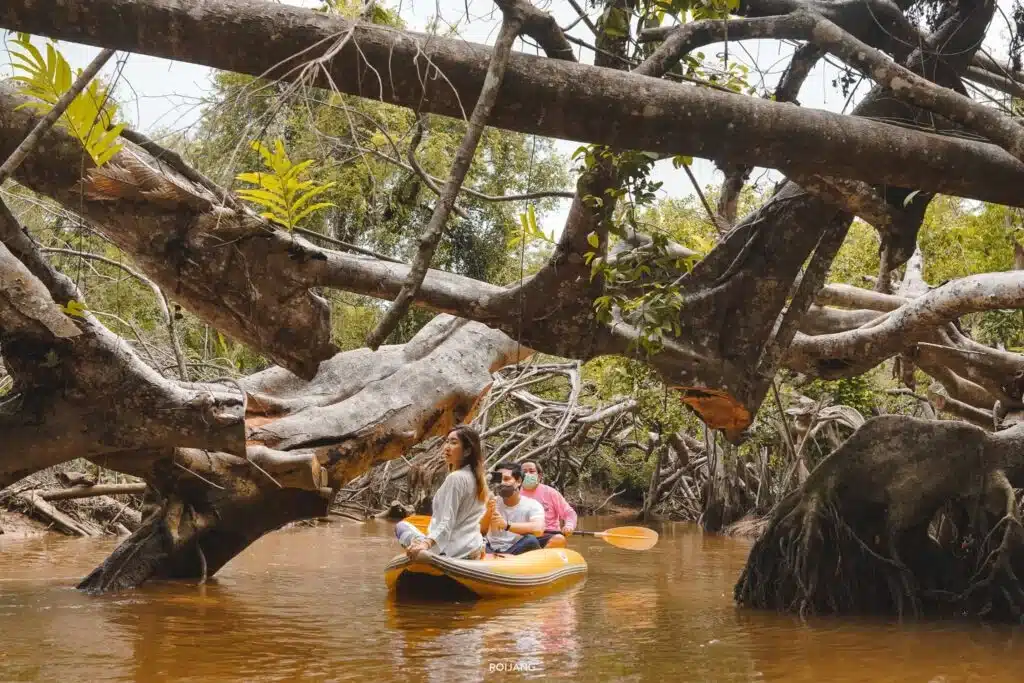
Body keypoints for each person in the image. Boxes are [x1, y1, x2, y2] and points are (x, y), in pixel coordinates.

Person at [394, 425, 488, 561]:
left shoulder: (456, 478)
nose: (447, 447)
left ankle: (431, 552)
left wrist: (426, 544)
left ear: (467, 451)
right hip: (473, 545)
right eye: (447, 441)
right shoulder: (478, 478)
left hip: (454, 551)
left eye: (454, 443)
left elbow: (447, 521)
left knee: (401, 526)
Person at [481, 461, 545, 555]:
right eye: (499, 480)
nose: (502, 483)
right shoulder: (491, 502)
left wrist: (506, 525)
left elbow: (538, 529)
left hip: (516, 550)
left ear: (518, 481)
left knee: (531, 541)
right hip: (491, 549)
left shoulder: (533, 505)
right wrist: (487, 513)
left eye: (506, 479)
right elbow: (481, 531)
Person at [519, 460, 577, 549]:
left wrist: (569, 525)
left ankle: (541, 555)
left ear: (539, 475)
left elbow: (569, 512)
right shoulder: (514, 494)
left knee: (559, 539)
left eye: (531, 471)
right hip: (523, 537)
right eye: (524, 472)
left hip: (549, 535)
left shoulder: (551, 493)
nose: (527, 474)